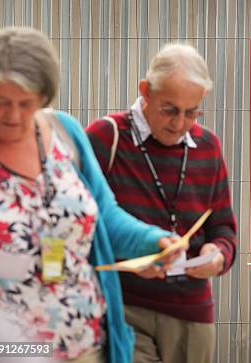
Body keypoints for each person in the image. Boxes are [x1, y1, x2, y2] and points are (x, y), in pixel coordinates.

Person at [0, 27, 185, 363]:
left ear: (44, 97)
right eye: (1, 102)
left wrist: (153, 241)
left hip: (89, 344)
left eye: (26, 103)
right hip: (12, 352)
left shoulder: (65, 134)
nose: (14, 116)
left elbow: (105, 215)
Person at [86, 43, 237, 363]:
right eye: (169, 109)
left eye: (192, 112)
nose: (180, 123)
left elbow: (223, 226)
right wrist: (129, 255)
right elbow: (82, 223)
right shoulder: (106, 137)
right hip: (124, 305)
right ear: (145, 91)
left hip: (192, 313)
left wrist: (218, 255)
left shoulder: (208, 146)